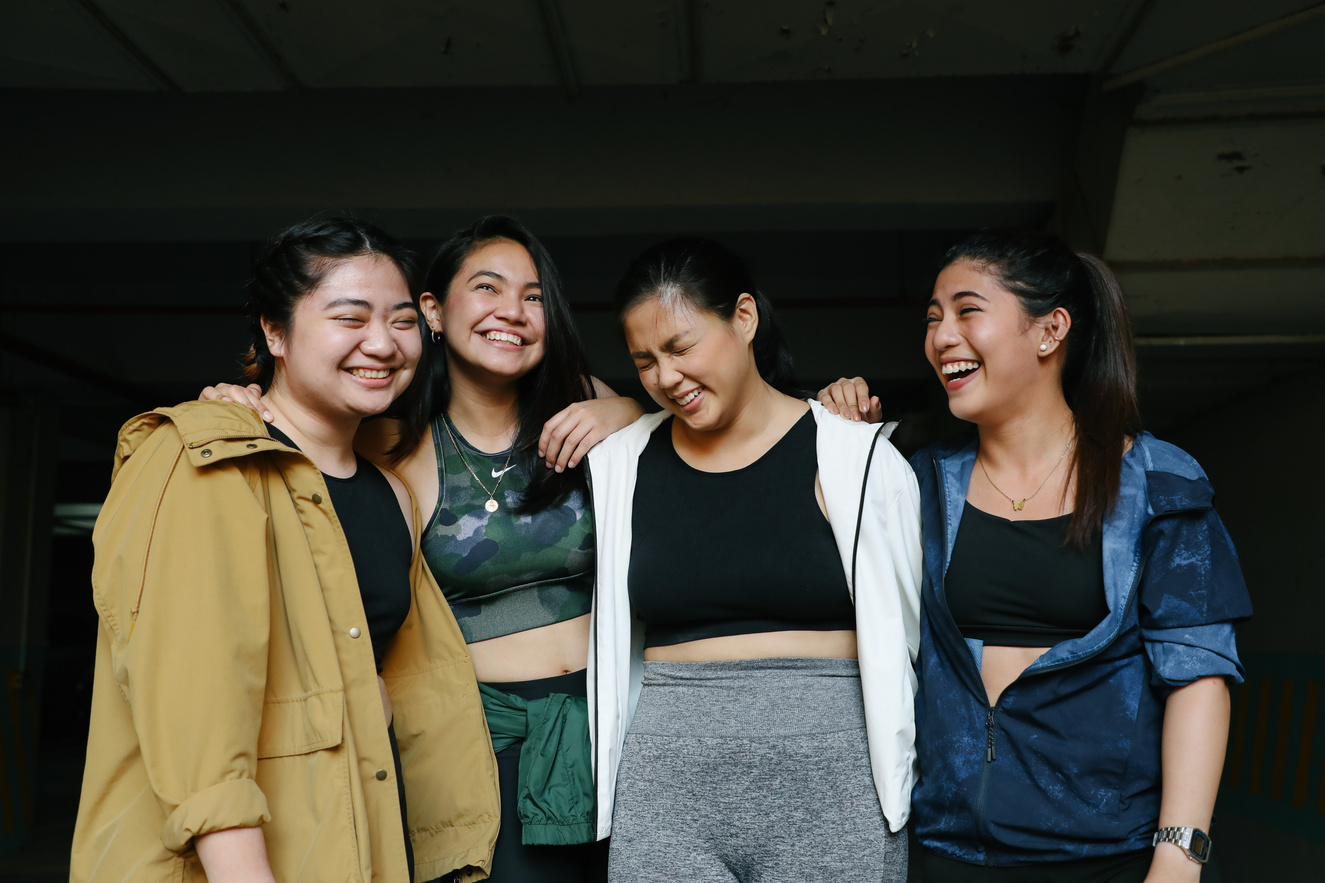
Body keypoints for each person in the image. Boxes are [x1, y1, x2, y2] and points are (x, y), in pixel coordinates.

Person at [205, 215, 643, 883]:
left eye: (533, 297)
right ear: (432, 312)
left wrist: (631, 410)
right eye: (489, 288)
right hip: (479, 735)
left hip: (609, 722)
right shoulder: (385, 442)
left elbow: (688, 432)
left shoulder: (585, 406)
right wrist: (237, 401)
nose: (514, 312)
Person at [72, 216, 500, 883]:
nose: (381, 344)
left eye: (400, 320)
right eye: (349, 318)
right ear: (275, 332)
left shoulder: (390, 491)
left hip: (359, 833)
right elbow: (195, 702)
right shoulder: (202, 459)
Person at [818, 229, 1252, 882]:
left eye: (967, 311)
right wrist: (844, 450)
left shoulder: (1157, 483)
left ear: (1050, 330)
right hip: (950, 852)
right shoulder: (918, 483)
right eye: (932, 318)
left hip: (1114, 857)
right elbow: (837, 573)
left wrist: (1177, 850)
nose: (941, 336)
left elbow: (1197, 675)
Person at [586, 238, 922, 883]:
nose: (665, 377)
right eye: (644, 361)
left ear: (744, 318)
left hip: (834, 788)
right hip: (666, 791)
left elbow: (915, 640)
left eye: (681, 347)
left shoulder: (857, 459)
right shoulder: (618, 465)